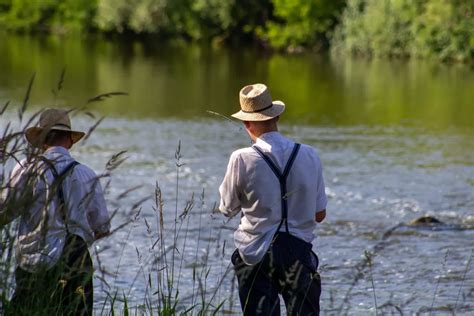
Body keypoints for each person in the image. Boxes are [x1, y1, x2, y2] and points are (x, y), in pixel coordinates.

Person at [219, 83, 327, 315]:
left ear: (246, 123)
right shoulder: (309, 154)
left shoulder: (241, 158)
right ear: (276, 116)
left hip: (255, 254)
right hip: (298, 251)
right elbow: (320, 214)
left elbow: (227, 208)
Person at [1, 108, 110, 315]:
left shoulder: (27, 169)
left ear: (41, 140)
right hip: (76, 262)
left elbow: (5, 212)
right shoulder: (87, 174)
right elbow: (102, 227)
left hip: (35, 261)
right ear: (70, 141)